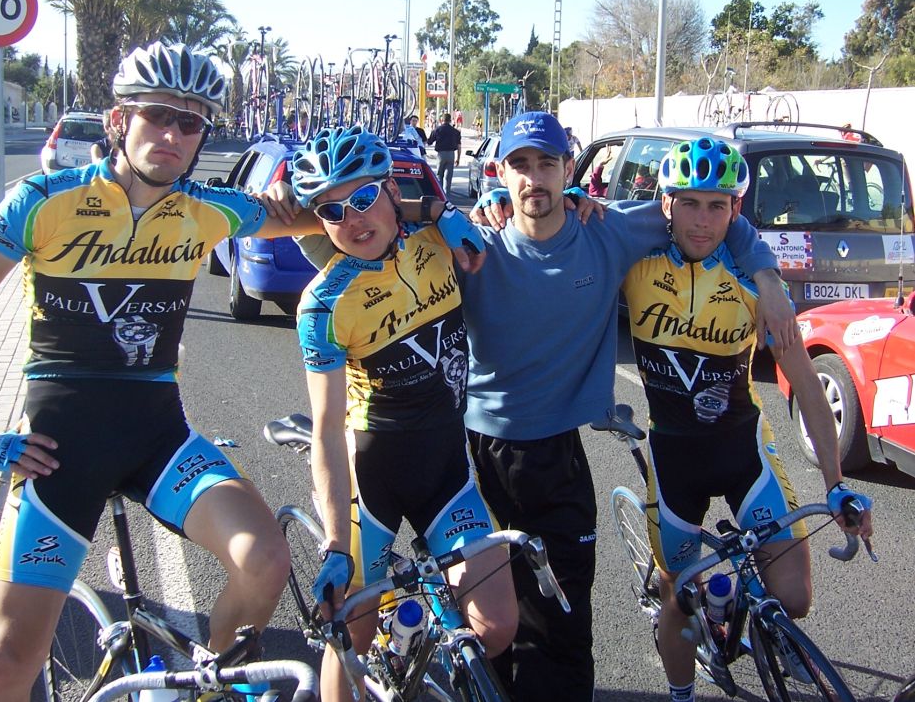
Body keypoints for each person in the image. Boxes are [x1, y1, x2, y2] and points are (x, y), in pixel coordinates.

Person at [0, 41, 318, 702]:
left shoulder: (209, 209)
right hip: (58, 453)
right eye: (157, 115)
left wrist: (437, 216)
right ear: (119, 120)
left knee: (265, 559)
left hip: (158, 439)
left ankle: (205, 685)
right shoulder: (44, 199)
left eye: (190, 122)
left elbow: (344, 219)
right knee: (9, 659)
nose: (172, 134)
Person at [463, 112, 796, 701]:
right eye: (519, 166)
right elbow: (374, 236)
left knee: (565, 611)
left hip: (557, 450)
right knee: (495, 619)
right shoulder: (476, 245)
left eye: (546, 164)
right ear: (500, 173)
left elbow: (709, 212)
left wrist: (767, 277)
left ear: (570, 169)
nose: (534, 178)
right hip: (482, 449)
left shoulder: (607, 230)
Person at [623, 138, 874, 702]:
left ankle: (736, 604)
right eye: (690, 203)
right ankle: (681, 692)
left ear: (736, 210)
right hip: (674, 460)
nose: (702, 220)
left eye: (717, 206)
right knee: (677, 596)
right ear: (667, 205)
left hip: (743, 451)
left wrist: (836, 483)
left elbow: (807, 384)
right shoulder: (636, 266)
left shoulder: (757, 284)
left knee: (796, 598)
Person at [290, 125, 517, 702]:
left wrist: (459, 207)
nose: (352, 220)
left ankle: (405, 643)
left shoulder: (436, 238)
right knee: (349, 637)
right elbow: (325, 428)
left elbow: (516, 218)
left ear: (392, 190)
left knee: (497, 627)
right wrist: (335, 543)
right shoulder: (322, 305)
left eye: (364, 197)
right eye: (331, 211)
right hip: (374, 481)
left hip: (446, 470)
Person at [429, 112, 461, 195]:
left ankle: (440, 194)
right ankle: (447, 195)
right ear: (450, 120)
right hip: (451, 154)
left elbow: (429, 141)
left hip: (441, 154)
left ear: (441, 120)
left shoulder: (437, 130)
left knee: (439, 174)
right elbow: (459, 146)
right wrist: (458, 158)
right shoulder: (455, 131)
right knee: (448, 176)